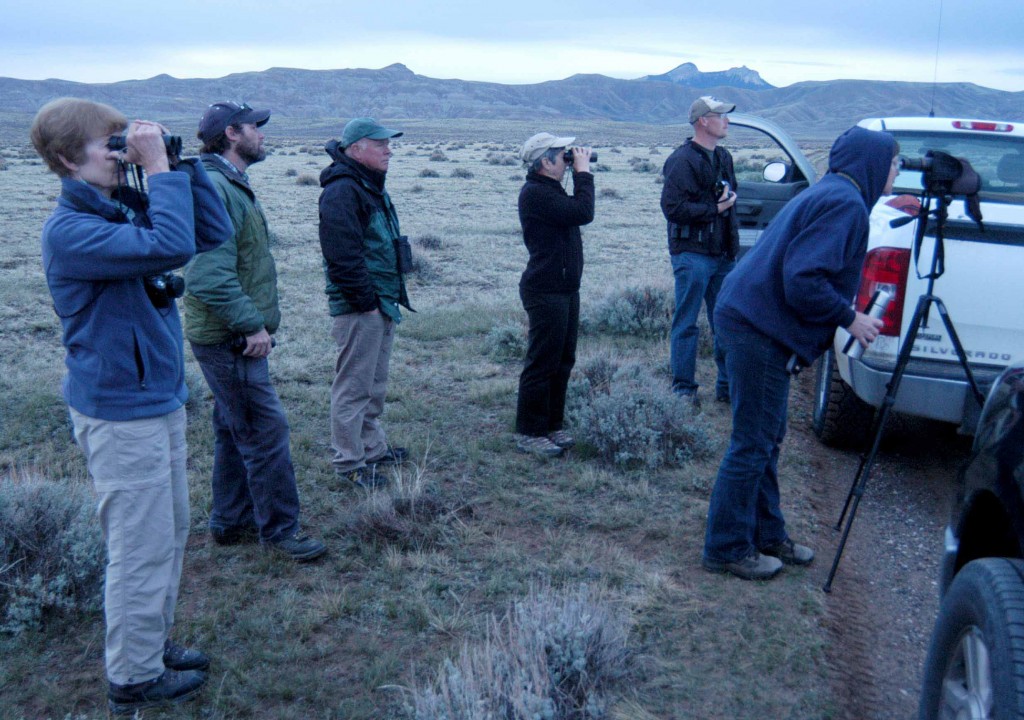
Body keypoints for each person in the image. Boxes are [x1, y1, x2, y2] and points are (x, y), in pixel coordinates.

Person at [31, 97, 232, 714]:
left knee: (169, 533)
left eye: (126, 141)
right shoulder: (71, 232)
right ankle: (133, 678)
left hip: (155, 397)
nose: (123, 155)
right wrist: (161, 176)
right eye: (109, 145)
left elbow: (212, 233)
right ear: (67, 159)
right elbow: (172, 245)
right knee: (140, 546)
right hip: (120, 410)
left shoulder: (120, 206)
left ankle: (150, 644)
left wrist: (178, 163)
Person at [702, 126, 899, 581]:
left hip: (752, 318)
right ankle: (727, 546)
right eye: (892, 162)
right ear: (870, 163)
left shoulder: (836, 193)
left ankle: (768, 534)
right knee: (752, 442)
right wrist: (851, 318)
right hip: (756, 327)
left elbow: (806, 274)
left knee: (767, 438)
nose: (896, 170)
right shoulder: (845, 204)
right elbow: (803, 280)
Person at [184, 101, 326, 562]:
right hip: (230, 335)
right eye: (255, 128)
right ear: (231, 133)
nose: (262, 135)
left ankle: (229, 519)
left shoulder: (225, 182)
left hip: (226, 332)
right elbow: (207, 276)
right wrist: (251, 325)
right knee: (265, 432)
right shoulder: (218, 187)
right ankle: (281, 532)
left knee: (232, 425)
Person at [318, 118, 411, 488]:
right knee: (354, 386)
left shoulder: (367, 185)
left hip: (381, 300)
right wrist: (366, 303)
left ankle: (371, 447)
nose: (389, 150)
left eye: (389, 144)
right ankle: (349, 463)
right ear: (356, 149)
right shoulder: (342, 191)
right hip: (362, 306)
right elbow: (342, 256)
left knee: (374, 383)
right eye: (380, 144)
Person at [514, 133, 595, 457]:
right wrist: (584, 172)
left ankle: (551, 424)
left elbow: (574, 211)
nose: (567, 159)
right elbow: (582, 212)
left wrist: (577, 172)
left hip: (563, 287)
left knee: (562, 360)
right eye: (562, 155)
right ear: (544, 162)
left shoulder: (549, 189)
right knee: (542, 361)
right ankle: (530, 431)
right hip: (546, 288)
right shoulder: (536, 193)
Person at [660, 96, 740, 407]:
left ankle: (728, 386)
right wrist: (715, 206)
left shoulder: (724, 157)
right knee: (687, 321)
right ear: (703, 120)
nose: (726, 121)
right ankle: (683, 390)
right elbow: (672, 208)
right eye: (721, 115)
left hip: (721, 255)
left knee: (727, 322)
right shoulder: (682, 160)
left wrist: (724, 200)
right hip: (692, 254)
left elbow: (730, 194)